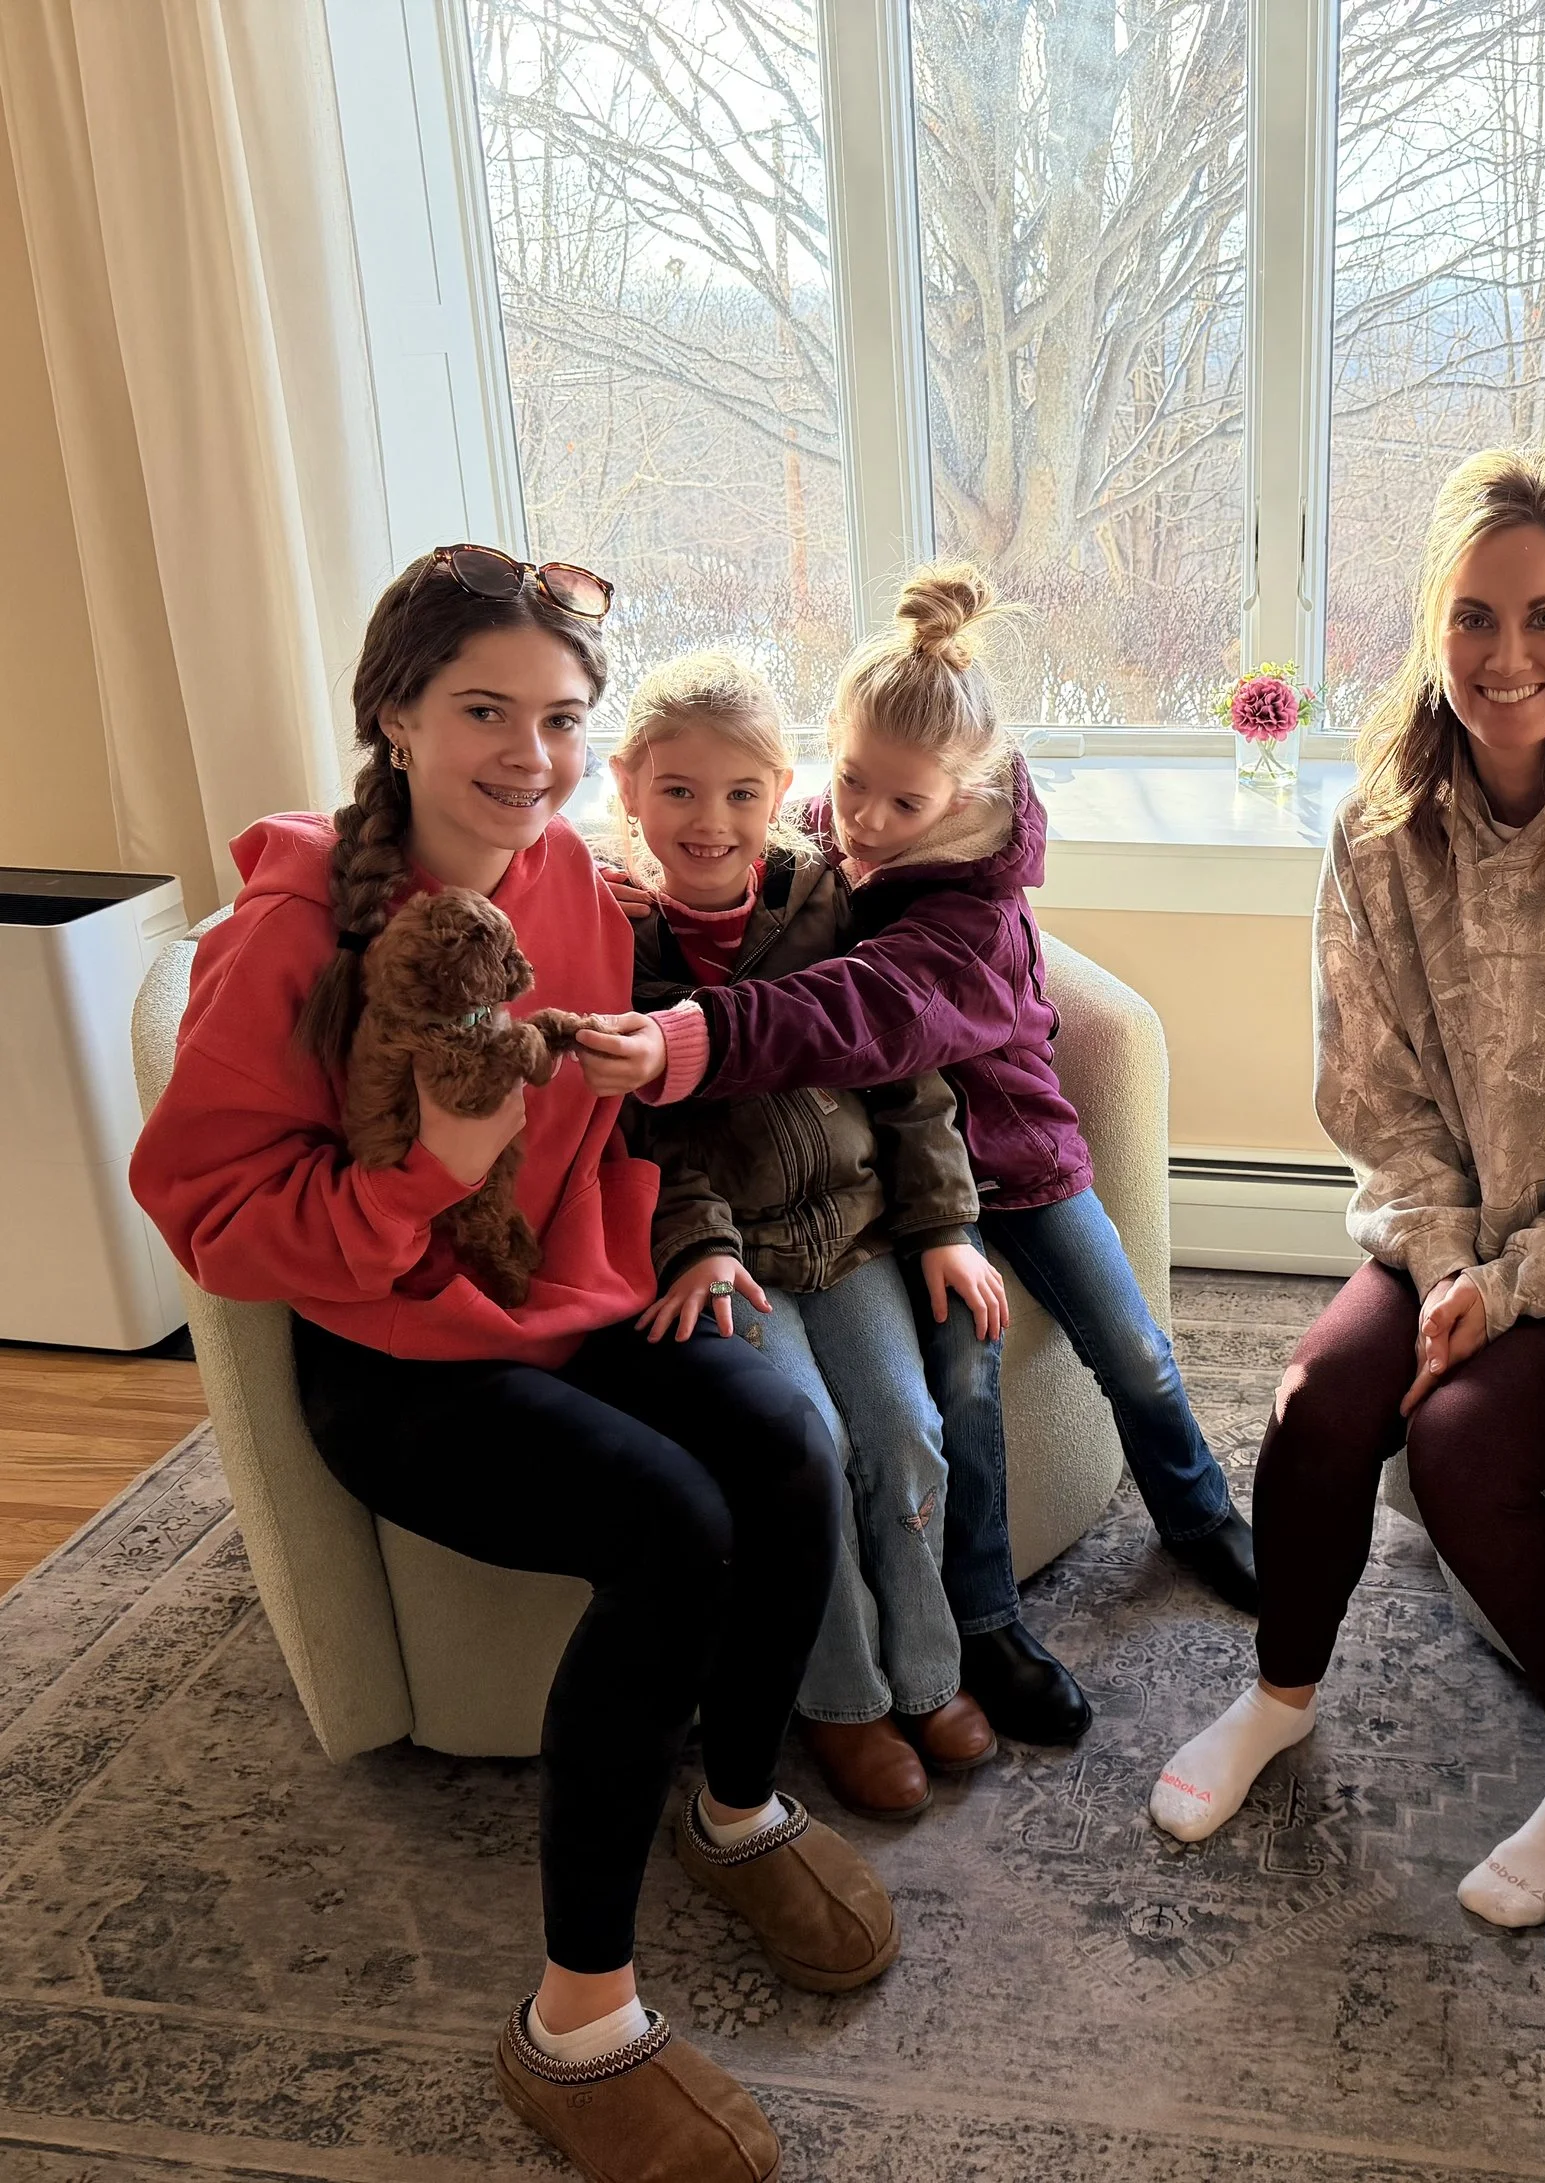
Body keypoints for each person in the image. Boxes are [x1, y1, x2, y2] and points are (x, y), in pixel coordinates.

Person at [129, 548, 895, 2182]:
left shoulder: (576, 889)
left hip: (589, 1293)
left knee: (790, 1443)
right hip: (399, 1356)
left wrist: (688, 1235)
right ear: (398, 715)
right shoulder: (285, 931)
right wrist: (420, 1178)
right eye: (486, 710)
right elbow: (206, 1211)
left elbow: (612, 1130)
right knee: (672, 1526)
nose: (531, 754)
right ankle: (575, 2021)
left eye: (558, 717)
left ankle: (736, 1806)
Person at [1150, 449, 1545, 1931]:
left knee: (1461, 1446)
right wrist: (1446, 1266)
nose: (1509, 656)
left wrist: (1514, 1285)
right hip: (1456, 1233)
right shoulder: (1378, 826)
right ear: (1433, 623)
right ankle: (1281, 1691)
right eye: (1475, 616)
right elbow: (1374, 1093)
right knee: (1316, 1403)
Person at [616, 568, 1259, 1745]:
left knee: (1132, 1345)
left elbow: (874, 1011)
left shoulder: (976, 902)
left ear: (964, 793)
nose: (863, 817)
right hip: (900, 1184)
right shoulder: (820, 847)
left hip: (1013, 1162)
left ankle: (1197, 1507)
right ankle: (987, 1621)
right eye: (850, 781)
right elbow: (735, 867)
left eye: (901, 801)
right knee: (959, 1385)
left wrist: (692, 1035)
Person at [611, 651, 1014, 1818]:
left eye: (741, 792)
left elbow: (909, 1076)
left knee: (905, 1429)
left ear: (780, 789)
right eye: (678, 790)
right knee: (812, 1453)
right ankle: (843, 1700)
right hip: (735, 1258)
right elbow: (636, 1124)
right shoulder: (616, 934)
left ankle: (926, 1671)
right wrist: (694, 1240)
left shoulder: (824, 899)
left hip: (855, 1234)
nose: (710, 820)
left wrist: (944, 1223)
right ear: (629, 786)